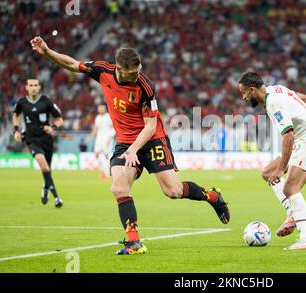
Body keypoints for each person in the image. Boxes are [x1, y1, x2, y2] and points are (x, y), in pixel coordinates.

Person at [30, 36, 230, 255]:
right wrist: (47, 51)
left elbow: (151, 125)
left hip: (153, 139)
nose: (137, 74)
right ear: (119, 68)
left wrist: (134, 148)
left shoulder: (146, 86)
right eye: (132, 72)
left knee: (172, 191)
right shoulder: (102, 70)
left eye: (139, 69)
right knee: (118, 187)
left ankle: (212, 196)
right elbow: (71, 64)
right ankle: (133, 241)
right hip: (125, 142)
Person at [238, 72, 306, 250]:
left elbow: (288, 137)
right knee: (267, 173)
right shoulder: (276, 89)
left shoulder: (273, 103)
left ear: (252, 89)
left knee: (290, 188)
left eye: (244, 92)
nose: (243, 97)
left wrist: (281, 169)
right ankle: (291, 213)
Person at [13, 78, 64, 208]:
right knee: (44, 167)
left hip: (46, 140)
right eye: (31, 85)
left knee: (48, 171)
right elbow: (16, 115)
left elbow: (59, 119)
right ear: (26, 87)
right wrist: (16, 130)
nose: (33, 87)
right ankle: (57, 198)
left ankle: (45, 189)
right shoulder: (22, 102)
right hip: (31, 139)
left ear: (39, 87)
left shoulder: (46, 101)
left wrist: (52, 128)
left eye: (35, 85)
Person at [90, 104, 115, 179]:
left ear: (105, 109)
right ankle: (105, 171)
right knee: (96, 154)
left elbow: (114, 127)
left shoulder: (108, 117)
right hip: (99, 138)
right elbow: (96, 128)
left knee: (106, 155)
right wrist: (91, 135)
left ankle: (107, 173)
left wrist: (111, 136)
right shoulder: (97, 117)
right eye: (99, 108)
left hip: (107, 138)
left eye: (102, 108)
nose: (100, 109)